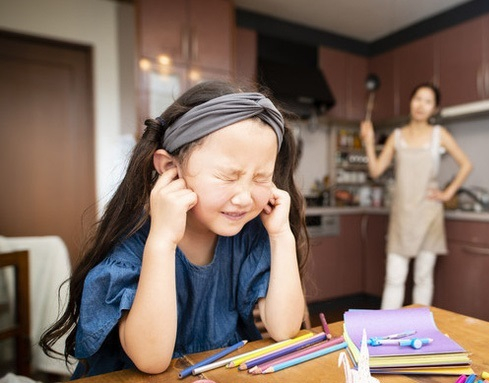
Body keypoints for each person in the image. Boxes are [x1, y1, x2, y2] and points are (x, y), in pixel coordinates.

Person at [39, 80, 309, 378]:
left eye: (261, 178)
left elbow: (284, 329)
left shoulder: (249, 238)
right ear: (170, 169)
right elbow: (152, 360)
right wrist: (163, 242)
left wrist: (281, 235)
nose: (244, 197)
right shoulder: (133, 247)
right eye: (227, 176)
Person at [360, 82, 472, 309]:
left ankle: (419, 331)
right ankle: (384, 334)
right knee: (394, 278)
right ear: (410, 102)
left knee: (423, 278)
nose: (421, 105)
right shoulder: (397, 136)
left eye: (428, 101)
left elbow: (466, 164)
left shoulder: (439, 134)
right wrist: (369, 143)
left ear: (435, 108)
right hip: (402, 216)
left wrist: (446, 193)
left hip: (429, 215)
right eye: (417, 99)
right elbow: (376, 170)